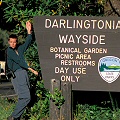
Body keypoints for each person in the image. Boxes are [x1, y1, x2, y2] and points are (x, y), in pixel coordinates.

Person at [7, 21, 38, 120]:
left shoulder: (19, 49)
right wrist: (32, 70)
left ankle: (16, 117)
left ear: (17, 41)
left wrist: (29, 32)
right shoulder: (9, 51)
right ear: (8, 42)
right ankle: (13, 117)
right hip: (17, 74)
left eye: (14, 42)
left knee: (24, 96)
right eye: (11, 42)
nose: (13, 44)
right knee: (26, 97)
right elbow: (19, 61)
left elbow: (27, 43)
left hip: (23, 74)